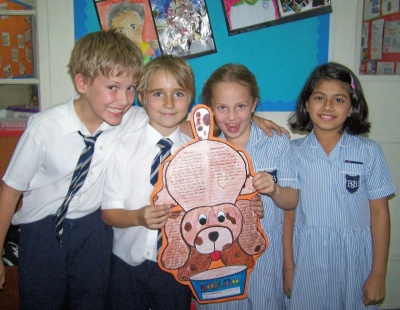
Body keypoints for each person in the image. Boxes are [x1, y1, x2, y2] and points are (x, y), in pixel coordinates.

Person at [0, 29, 150, 309]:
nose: (124, 99)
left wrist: (251, 121)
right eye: (113, 87)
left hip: (94, 226)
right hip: (42, 227)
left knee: (92, 300)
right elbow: (9, 191)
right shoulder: (45, 128)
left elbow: (174, 121)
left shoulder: (130, 118)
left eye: (131, 88)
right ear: (82, 82)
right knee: (41, 301)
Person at [285, 62, 396, 309]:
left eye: (338, 100)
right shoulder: (291, 152)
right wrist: (288, 266)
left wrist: (378, 274)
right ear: (306, 103)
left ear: (351, 108)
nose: (327, 106)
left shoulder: (369, 152)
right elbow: (288, 216)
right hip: (307, 260)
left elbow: (379, 214)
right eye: (319, 97)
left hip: (354, 261)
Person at [198, 63, 299, 310]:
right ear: (210, 108)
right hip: (220, 258)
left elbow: (292, 201)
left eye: (241, 107)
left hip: (266, 259)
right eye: (222, 108)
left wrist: (274, 190)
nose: (232, 117)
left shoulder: (277, 144)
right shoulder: (203, 149)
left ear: (254, 105)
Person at [100, 55, 197, 309]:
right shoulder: (123, 148)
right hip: (126, 264)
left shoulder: (196, 154)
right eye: (157, 94)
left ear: (190, 99)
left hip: (177, 266)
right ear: (142, 97)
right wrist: (139, 217)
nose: (168, 103)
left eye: (178, 94)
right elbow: (109, 213)